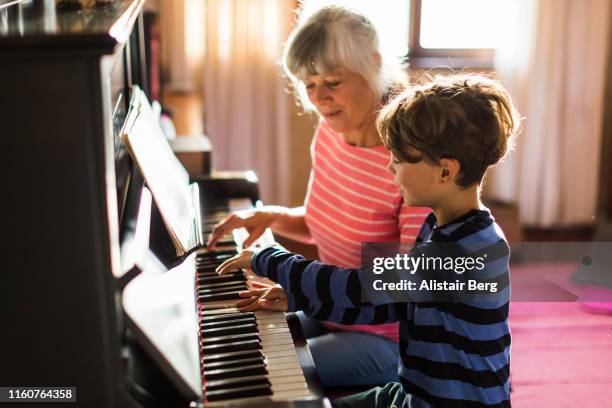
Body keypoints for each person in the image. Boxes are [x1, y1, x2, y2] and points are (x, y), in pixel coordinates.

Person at [217, 73, 520, 407]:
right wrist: (298, 296)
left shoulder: (462, 253)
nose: (390, 167)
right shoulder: (443, 227)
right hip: (416, 393)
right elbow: (388, 304)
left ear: (444, 172)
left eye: (401, 158)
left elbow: (360, 287)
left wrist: (270, 258)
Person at [207, 5, 429, 387]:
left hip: (389, 337)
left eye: (333, 81)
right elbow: (321, 222)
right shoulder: (330, 134)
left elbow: (405, 287)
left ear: (374, 64)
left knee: (269, 371)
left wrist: (298, 287)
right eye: (308, 84)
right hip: (331, 309)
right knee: (233, 335)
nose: (319, 98)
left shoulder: (411, 165)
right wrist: (271, 216)